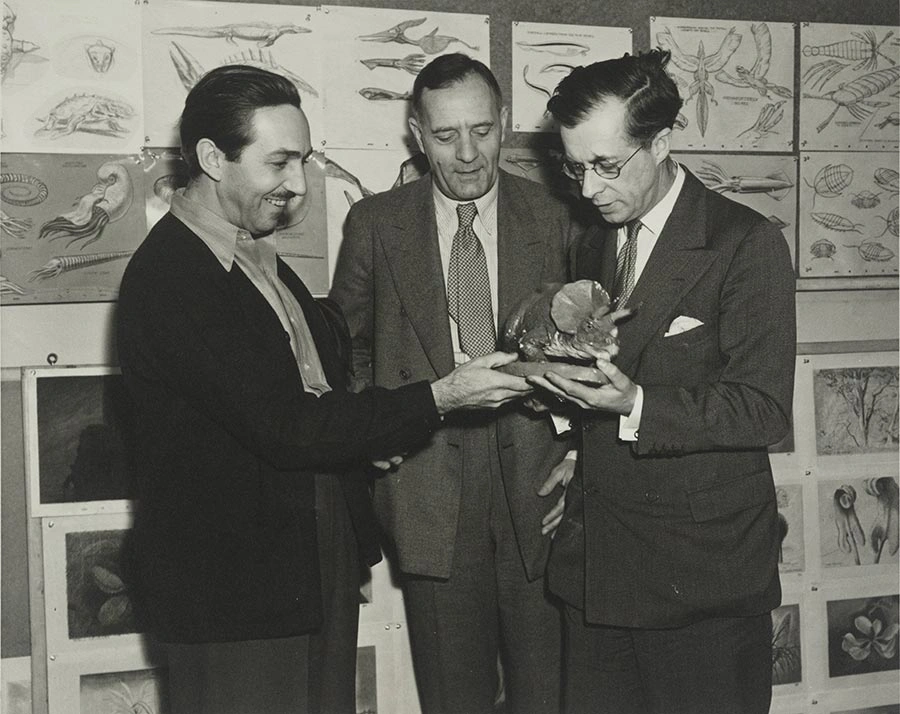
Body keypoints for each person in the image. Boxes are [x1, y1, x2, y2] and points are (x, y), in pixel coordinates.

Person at [116, 64, 533, 714]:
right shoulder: (176, 278)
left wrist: (370, 438)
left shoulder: (256, 257)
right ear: (211, 158)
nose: (297, 184)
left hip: (304, 571)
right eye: (278, 162)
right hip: (235, 596)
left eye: (304, 161)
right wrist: (440, 398)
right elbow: (287, 426)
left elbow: (319, 392)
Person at [527, 50, 796, 714]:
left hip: (699, 580)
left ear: (663, 142)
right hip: (599, 571)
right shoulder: (593, 239)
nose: (588, 189)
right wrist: (575, 439)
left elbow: (763, 410)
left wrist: (636, 405)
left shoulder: (745, 243)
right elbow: (611, 363)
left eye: (607, 165)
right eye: (575, 166)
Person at [330, 53, 581, 714]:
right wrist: (370, 430)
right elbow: (345, 350)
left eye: (482, 131)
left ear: (504, 122)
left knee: (549, 694)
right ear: (416, 132)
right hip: (428, 486)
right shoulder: (377, 224)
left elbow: (602, 342)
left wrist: (585, 450)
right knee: (453, 697)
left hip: (538, 486)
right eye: (445, 136)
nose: (468, 154)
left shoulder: (557, 214)